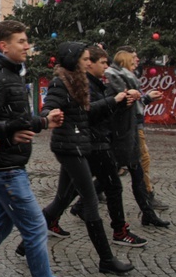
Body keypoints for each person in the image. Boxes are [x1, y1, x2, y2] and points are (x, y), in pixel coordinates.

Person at [0, 21, 83, 277]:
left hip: (9, 164)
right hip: (4, 168)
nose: (27, 45)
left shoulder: (10, 74)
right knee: (35, 228)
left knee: (0, 224)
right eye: (21, 41)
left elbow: (11, 119)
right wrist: (16, 130)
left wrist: (43, 121)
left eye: (27, 40)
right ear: (3, 46)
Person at [41, 42, 135, 275]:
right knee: (90, 202)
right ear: (74, 61)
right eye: (84, 59)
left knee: (62, 199)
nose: (88, 62)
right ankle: (106, 259)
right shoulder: (61, 82)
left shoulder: (79, 81)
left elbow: (86, 112)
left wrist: (114, 102)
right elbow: (48, 108)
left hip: (77, 145)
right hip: (70, 147)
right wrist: (48, 115)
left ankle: (25, 245)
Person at [62, 46, 147, 249]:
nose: (107, 67)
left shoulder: (94, 83)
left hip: (97, 140)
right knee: (110, 187)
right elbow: (87, 113)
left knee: (75, 190)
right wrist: (115, 100)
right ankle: (118, 232)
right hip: (93, 142)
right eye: (103, 62)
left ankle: (53, 218)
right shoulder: (84, 84)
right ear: (88, 63)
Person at [104, 51, 170, 228]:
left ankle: (148, 214)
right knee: (111, 177)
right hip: (121, 134)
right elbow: (111, 108)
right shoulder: (114, 80)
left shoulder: (128, 79)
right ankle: (78, 207)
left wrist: (144, 98)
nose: (137, 61)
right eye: (133, 58)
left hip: (129, 131)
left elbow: (132, 106)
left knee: (136, 173)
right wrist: (128, 99)